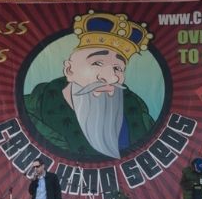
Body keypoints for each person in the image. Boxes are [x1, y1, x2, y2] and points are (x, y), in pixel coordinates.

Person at [23, 11, 156, 160]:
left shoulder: (141, 119)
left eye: (118, 68)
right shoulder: (29, 115)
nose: (111, 78)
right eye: (97, 63)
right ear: (69, 70)